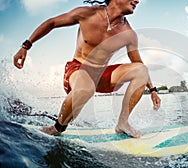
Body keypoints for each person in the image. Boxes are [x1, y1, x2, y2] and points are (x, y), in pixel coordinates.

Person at [13, 0, 161, 138]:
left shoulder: (128, 34)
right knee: (86, 89)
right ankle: (58, 127)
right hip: (78, 69)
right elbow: (52, 22)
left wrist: (152, 89)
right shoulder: (87, 14)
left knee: (141, 69)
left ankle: (123, 123)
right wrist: (26, 46)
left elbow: (138, 63)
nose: (137, 0)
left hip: (103, 75)